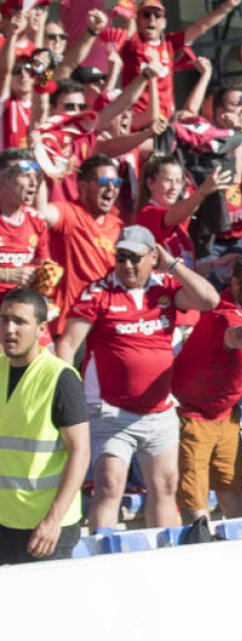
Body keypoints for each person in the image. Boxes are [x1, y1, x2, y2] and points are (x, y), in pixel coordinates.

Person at [56, 226, 219, 529]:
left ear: (152, 257)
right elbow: (66, 344)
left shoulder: (166, 287)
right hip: (109, 410)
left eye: (135, 258)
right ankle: (103, 558)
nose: (127, 265)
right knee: (109, 485)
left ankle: (161, 558)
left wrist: (172, 263)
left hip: (158, 411)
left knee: (166, 487)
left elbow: (209, 300)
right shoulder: (98, 292)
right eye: (121, 257)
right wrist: (68, 399)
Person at [171, 256, 242, 523]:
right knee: (194, 500)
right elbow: (238, 336)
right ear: (235, 284)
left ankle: (236, 547)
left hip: (226, 416)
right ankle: (198, 547)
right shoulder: (225, 313)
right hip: (192, 416)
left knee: (233, 488)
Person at [0, 289, 88, 564]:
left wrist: (53, 520)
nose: (9, 329)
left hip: (45, 529)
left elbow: (81, 453)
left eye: (19, 321)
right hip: (5, 521)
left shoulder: (60, 378)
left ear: (41, 329)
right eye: (3, 319)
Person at [114, 0, 242, 123]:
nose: (152, 19)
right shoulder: (132, 43)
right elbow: (128, 21)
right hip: (136, 119)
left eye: (157, 15)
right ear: (138, 20)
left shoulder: (170, 43)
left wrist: (227, 6)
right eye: (146, 15)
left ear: (164, 22)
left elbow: (201, 27)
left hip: (165, 121)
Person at [39, 154, 123, 337]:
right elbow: (42, 212)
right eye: (103, 181)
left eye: (116, 181)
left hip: (104, 325)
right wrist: (43, 167)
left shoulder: (118, 226)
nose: (111, 187)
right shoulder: (69, 214)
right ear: (83, 186)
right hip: (69, 325)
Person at [0, 150, 48, 299]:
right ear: (2, 181)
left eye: (36, 176)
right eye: (25, 176)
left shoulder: (37, 220)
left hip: (18, 306)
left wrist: (47, 273)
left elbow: (42, 263)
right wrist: (7, 274)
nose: (33, 183)